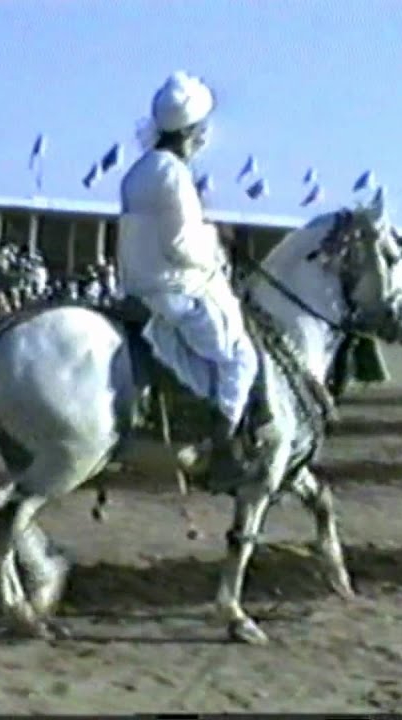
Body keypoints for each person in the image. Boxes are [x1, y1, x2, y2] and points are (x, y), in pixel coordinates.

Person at [117, 71, 272, 490]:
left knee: (204, 362)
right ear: (193, 131)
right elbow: (182, 244)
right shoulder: (174, 174)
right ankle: (222, 452)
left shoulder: (140, 169)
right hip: (173, 288)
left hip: (138, 285)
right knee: (242, 358)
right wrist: (216, 243)